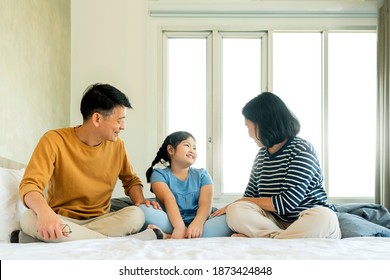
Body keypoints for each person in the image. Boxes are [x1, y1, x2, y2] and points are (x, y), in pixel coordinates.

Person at [11, 83, 162, 243]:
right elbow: (30, 185)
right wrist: (44, 213)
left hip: (102, 220)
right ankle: (114, 241)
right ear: (97, 119)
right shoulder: (54, 140)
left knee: (136, 215)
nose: (122, 127)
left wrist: (140, 201)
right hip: (62, 219)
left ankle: (48, 238)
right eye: (119, 120)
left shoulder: (118, 146)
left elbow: (130, 180)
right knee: (28, 218)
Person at [213, 92, 341, 239]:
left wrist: (242, 201)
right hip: (276, 223)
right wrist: (237, 204)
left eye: (249, 127)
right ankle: (280, 239)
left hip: (307, 221)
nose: (249, 134)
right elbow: (250, 197)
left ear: (264, 124)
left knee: (324, 217)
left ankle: (269, 239)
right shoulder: (261, 156)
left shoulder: (301, 150)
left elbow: (286, 203)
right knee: (236, 209)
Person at [140, 131, 233, 239]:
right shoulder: (158, 174)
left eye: (194, 148)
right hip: (171, 221)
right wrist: (179, 226)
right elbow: (168, 199)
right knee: (143, 209)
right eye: (187, 145)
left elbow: (205, 203)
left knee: (232, 217)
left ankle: (168, 236)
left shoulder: (202, 174)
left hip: (202, 222)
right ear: (171, 150)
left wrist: (197, 223)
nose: (192, 150)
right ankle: (184, 233)